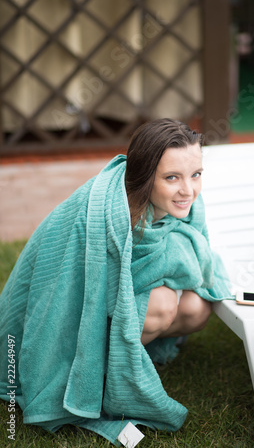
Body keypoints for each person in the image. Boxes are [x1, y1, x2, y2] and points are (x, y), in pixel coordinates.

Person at [0, 118, 233, 445]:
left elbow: (194, 258)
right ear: (144, 177)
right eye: (171, 178)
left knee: (197, 306)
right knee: (163, 304)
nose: (188, 190)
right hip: (77, 315)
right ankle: (97, 379)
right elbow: (69, 294)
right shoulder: (108, 215)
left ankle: (122, 362)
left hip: (116, 303)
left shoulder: (183, 204)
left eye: (195, 175)